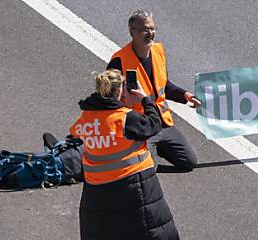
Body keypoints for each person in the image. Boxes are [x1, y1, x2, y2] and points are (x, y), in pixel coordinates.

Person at [71, 69, 179, 240]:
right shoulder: (125, 118)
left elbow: (75, 135)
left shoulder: (86, 119)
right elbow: (154, 125)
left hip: (97, 190)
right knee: (149, 229)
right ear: (120, 90)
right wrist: (145, 100)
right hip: (133, 183)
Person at [108, 10, 201, 171]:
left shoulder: (158, 51)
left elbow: (163, 85)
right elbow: (108, 98)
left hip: (162, 122)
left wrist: (185, 96)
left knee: (189, 162)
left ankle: (156, 149)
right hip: (140, 126)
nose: (150, 33)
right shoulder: (119, 61)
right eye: (145, 30)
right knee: (148, 169)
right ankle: (142, 153)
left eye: (152, 28)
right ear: (132, 32)